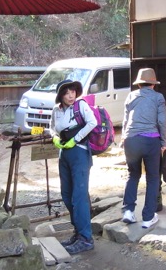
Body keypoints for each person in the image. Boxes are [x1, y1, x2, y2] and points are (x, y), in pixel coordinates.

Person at [51, 79, 97, 255]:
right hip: (64, 154)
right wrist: (55, 137)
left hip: (79, 152)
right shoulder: (57, 110)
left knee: (79, 196)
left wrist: (75, 139)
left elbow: (92, 122)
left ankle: (86, 238)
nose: (71, 95)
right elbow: (52, 128)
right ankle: (78, 232)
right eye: (66, 92)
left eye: (73, 91)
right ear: (60, 95)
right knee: (67, 194)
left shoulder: (81, 106)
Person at [121, 67, 166, 229]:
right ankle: (148, 217)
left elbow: (126, 120)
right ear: (153, 84)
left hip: (131, 140)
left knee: (133, 175)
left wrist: (123, 139)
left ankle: (128, 211)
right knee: (153, 177)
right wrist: (163, 142)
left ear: (139, 84)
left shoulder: (131, 96)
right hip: (150, 141)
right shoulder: (158, 98)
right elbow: (162, 121)